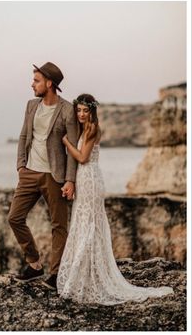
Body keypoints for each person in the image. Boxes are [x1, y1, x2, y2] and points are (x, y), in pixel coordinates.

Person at [57, 93, 174, 305]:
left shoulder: (93, 129)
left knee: (90, 226)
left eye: (85, 110)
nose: (82, 114)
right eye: (79, 110)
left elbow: (83, 158)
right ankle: (82, 277)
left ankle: (85, 278)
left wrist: (66, 141)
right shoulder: (83, 128)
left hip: (91, 178)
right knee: (82, 224)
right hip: (83, 179)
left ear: (92, 111)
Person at [8, 62, 77, 290]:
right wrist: (20, 165)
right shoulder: (31, 105)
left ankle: (56, 274)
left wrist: (70, 180)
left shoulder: (68, 110)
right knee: (14, 218)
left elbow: (73, 148)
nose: (32, 84)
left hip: (54, 176)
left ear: (49, 83)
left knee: (59, 225)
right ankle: (34, 264)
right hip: (29, 172)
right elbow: (23, 135)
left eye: (36, 80)